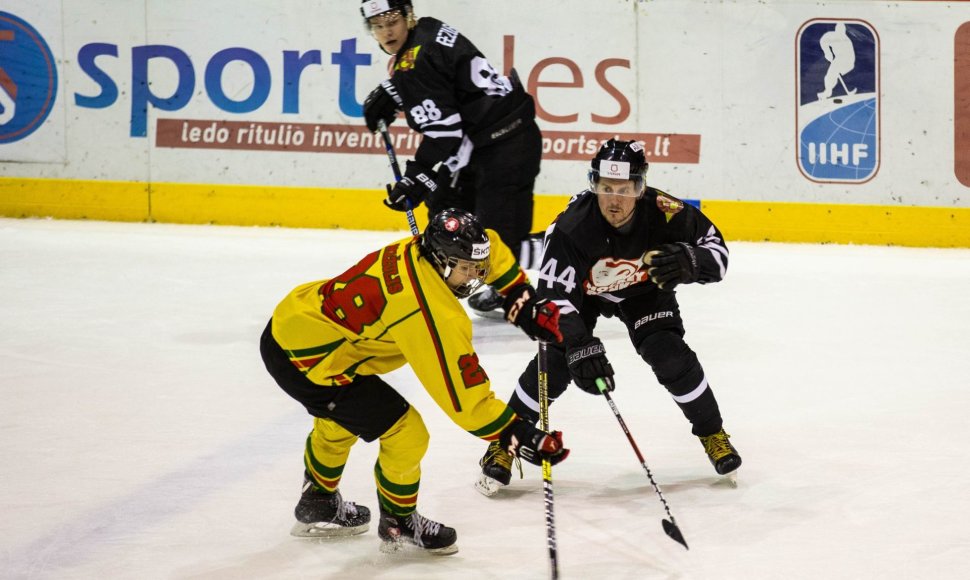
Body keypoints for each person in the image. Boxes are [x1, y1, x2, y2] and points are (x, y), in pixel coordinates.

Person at [260, 207, 568, 554]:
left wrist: (519, 298)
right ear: (441, 260)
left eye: (475, 268)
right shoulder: (428, 311)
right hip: (308, 360)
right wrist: (521, 435)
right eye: (465, 269)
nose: (472, 277)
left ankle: (317, 501)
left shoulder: (423, 250)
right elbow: (466, 403)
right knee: (407, 433)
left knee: (341, 421)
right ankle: (399, 524)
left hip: (297, 321)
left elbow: (489, 247)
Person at [476, 139, 742, 496]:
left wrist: (692, 262)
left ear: (640, 187)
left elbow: (719, 255)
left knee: (669, 354)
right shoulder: (571, 227)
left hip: (643, 292)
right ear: (593, 184)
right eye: (605, 188)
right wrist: (577, 343)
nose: (614, 199)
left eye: (625, 189)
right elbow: (554, 300)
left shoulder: (665, 212)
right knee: (554, 362)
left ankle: (713, 433)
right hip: (582, 296)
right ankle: (504, 441)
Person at [359, 0, 544, 316]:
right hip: (483, 143)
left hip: (508, 144)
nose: (386, 31)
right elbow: (445, 76)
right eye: (377, 25)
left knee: (500, 245)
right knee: (445, 212)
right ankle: (443, 284)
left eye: (391, 20)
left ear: (408, 16)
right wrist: (395, 90)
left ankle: (572, 249)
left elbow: (445, 133)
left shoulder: (413, 65)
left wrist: (416, 176)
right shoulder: (427, 30)